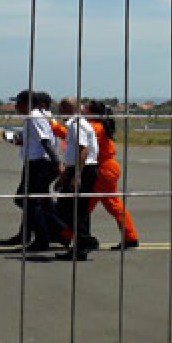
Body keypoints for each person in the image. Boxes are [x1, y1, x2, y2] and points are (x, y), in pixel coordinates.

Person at [0, 90, 62, 250]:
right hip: (35, 162)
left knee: (28, 201)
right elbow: (34, 142)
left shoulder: (35, 116)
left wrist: (57, 163)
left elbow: (46, 141)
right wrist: (15, 140)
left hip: (40, 164)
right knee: (33, 201)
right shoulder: (36, 116)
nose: (16, 106)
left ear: (28, 103)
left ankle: (49, 235)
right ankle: (28, 234)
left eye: (18, 103)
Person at [84, 100, 140, 250]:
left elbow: (76, 136)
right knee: (98, 204)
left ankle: (69, 234)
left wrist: (54, 126)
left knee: (86, 204)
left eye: (86, 109)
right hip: (107, 168)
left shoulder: (94, 127)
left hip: (103, 170)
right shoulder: (98, 126)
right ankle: (130, 237)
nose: (82, 111)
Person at [54, 97, 100, 261]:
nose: (59, 112)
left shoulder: (77, 124)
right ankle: (80, 248)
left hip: (84, 169)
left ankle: (86, 241)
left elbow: (83, 150)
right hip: (81, 168)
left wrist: (77, 175)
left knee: (65, 209)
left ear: (67, 109)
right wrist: (66, 174)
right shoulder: (77, 123)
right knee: (79, 211)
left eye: (60, 109)